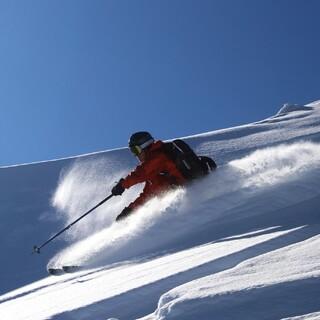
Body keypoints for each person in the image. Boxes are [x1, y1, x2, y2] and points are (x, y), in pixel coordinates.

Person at [112, 131, 187, 221]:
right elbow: (148, 194)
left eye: (136, 150)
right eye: (132, 151)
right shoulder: (155, 171)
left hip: (187, 191)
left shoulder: (158, 156)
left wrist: (122, 185)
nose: (136, 155)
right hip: (181, 194)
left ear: (145, 145)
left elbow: (140, 173)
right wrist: (130, 210)